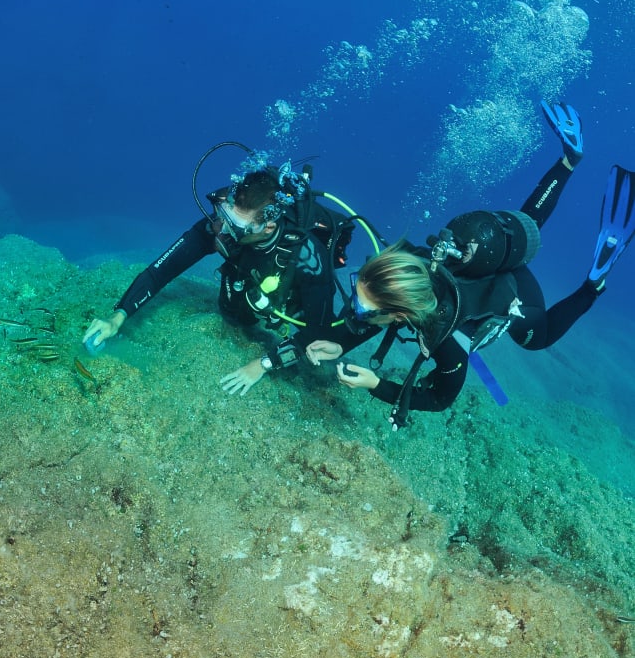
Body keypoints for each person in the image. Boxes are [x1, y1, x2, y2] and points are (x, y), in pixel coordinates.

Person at [306, 101, 635, 428]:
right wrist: (341, 343)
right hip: (485, 262)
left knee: (538, 339)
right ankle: (568, 162)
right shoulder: (414, 264)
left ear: (403, 314)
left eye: (362, 309)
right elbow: (382, 313)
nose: (355, 311)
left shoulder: (447, 340)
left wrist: (375, 384)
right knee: (525, 225)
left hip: (518, 296)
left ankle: (592, 286)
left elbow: (440, 399)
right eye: (356, 293)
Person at [82, 146, 355, 392]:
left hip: (291, 287)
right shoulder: (222, 225)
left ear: (268, 227)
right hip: (249, 276)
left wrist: (263, 364)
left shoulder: (309, 257)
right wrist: (118, 316)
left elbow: (318, 334)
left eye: (236, 227)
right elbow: (161, 271)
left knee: (312, 351)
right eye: (224, 216)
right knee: (233, 313)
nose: (223, 231)